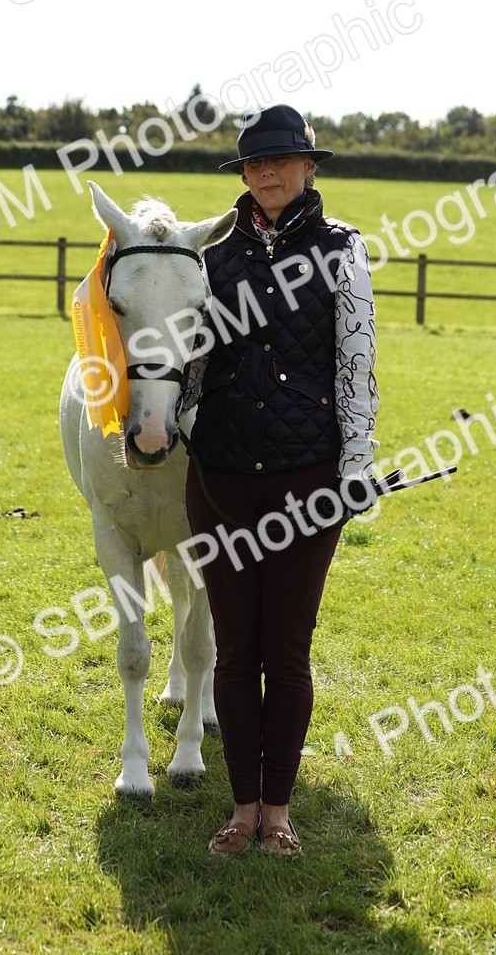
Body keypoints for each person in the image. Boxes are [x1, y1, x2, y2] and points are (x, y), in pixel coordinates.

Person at [182, 103, 379, 855]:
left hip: (308, 481)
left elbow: (356, 359)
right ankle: (240, 808)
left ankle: (279, 813)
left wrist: (355, 463)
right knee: (235, 652)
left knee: (287, 651)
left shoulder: (342, 250)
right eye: (252, 164)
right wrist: (166, 420)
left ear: (308, 168)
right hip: (222, 481)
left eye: (278, 162)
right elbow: (192, 363)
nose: (264, 174)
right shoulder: (212, 254)